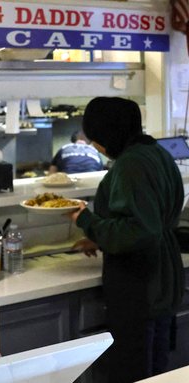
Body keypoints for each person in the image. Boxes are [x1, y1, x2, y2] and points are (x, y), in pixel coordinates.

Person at [69, 97, 185, 383]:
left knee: (134, 372)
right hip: (162, 279)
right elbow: (149, 219)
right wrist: (99, 239)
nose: (96, 146)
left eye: (96, 138)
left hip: (140, 285)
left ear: (110, 132)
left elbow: (139, 231)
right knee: (157, 371)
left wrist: (85, 220)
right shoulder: (156, 153)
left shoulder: (130, 165)